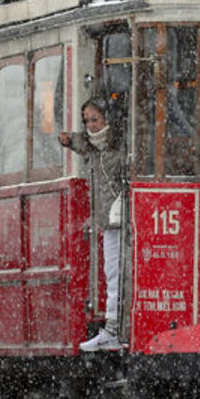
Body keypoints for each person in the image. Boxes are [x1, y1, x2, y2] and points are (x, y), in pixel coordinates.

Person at [59, 97, 127, 352]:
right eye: (87, 121)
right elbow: (81, 142)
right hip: (109, 219)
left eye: (95, 119)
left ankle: (115, 328)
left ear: (107, 119)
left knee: (120, 274)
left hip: (124, 219)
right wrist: (66, 140)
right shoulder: (93, 147)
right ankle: (112, 328)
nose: (91, 126)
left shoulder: (118, 147)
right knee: (112, 273)